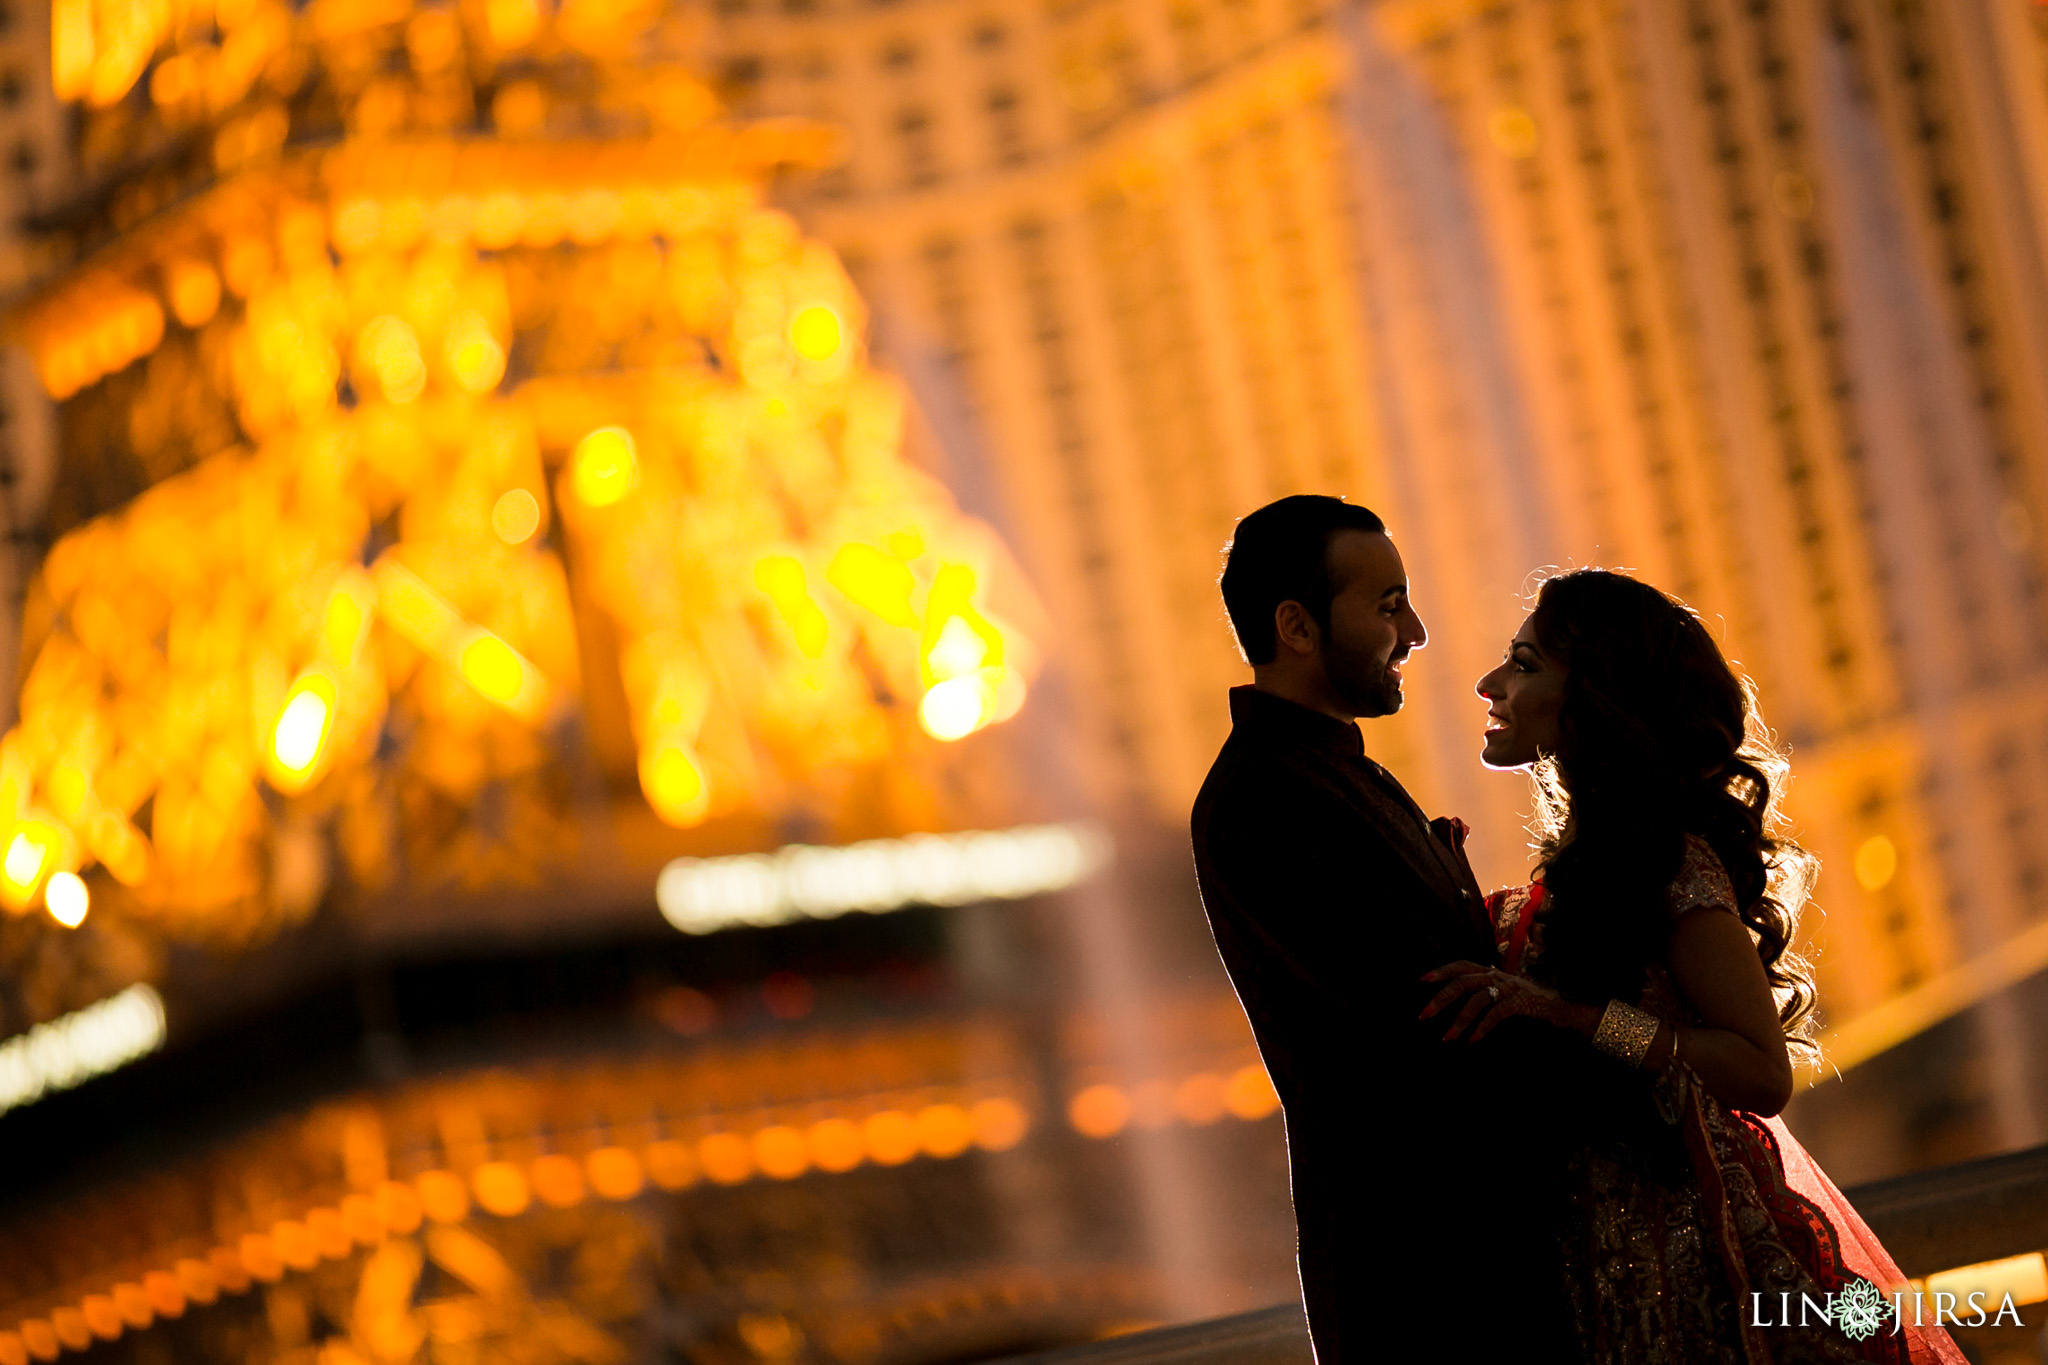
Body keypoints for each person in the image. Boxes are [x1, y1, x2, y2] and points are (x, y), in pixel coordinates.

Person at [1422, 569, 1966, 1364]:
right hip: (1589, 1262)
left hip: (1690, 1268)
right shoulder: (1577, 868)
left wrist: (1576, 1017)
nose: (1490, 683)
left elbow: (1760, 1070)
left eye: (1527, 664)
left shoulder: (1672, 866)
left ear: (1597, 697)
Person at [1190, 496, 1623, 1364]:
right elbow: (1426, 1024)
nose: (1416, 631)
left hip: (1472, 1257)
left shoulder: (1334, 774)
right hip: (1427, 1281)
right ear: (1296, 626)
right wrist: (1625, 1035)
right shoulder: (1264, 798)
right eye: (1389, 605)